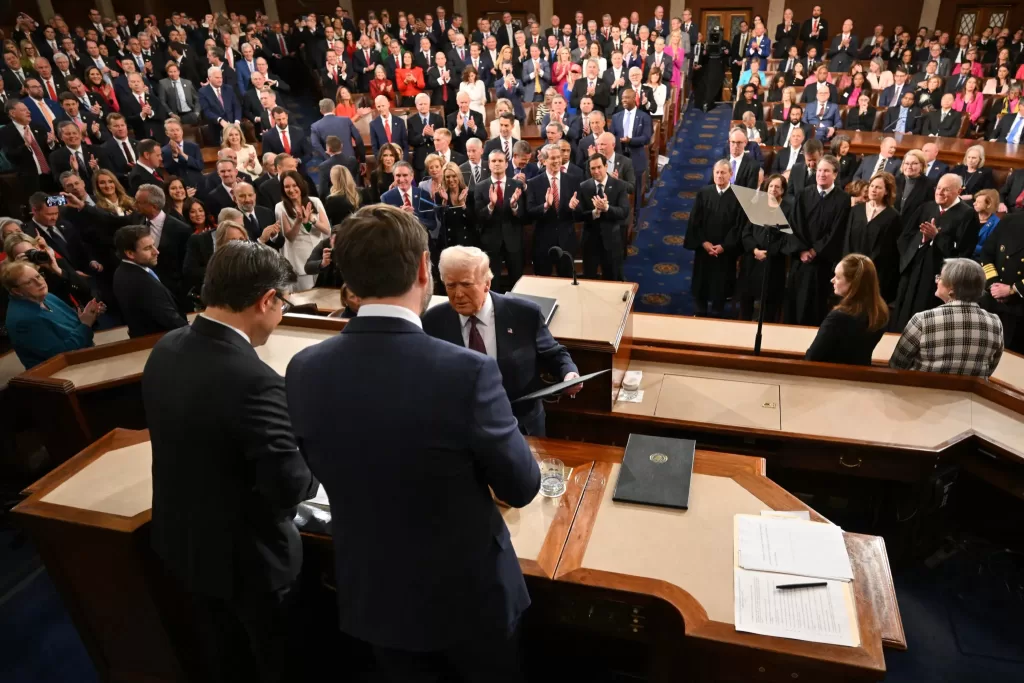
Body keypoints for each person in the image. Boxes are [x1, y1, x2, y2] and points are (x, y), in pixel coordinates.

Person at [286, 205, 540, 681]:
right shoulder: (466, 372)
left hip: (374, 597)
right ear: (425, 268)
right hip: (468, 601)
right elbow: (522, 485)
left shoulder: (304, 368)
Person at [144, 240, 317, 683]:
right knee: (280, 662)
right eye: (282, 305)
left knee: (226, 658)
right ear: (266, 300)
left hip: (184, 546)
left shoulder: (166, 348)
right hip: (250, 561)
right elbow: (289, 487)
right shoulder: (254, 380)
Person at [893, 174, 981, 331]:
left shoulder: (967, 215)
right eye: (938, 188)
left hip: (937, 275)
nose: (940, 192)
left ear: (959, 191)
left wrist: (937, 237)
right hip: (913, 268)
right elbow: (905, 237)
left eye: (946, 189)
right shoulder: (926, 207)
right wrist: (922, 241)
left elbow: (963, 251)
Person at [890, 258, 1003, 376]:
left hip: (922, 392)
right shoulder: (995, 323)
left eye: (940, 277)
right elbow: (990, 368)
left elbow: (896, 366)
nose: (937, 281)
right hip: (970, 394)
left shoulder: (923, 320)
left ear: (952, 289)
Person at [783, 154, 852, 326]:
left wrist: (815, 251)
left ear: (835, 174)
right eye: (819, 170)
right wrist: (802, 250)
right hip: (800, 261)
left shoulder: (843, 199)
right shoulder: (804, 194)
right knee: (794, 305)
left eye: (826, 171)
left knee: (815, 307)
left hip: (822, 264)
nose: (821, 174)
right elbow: (794, 224)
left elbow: (837, 231)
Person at [2, 261, 104, 369]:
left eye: (38, 276)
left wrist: (88, 315)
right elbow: (60, 354)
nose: (39, 282)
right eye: (29, 282)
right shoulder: (24, 319)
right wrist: (85, 325)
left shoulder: (47, 297)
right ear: (16, 291)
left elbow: (74, 327)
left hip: (84, 358)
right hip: (61, 372)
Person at [805, 254, 889, 365]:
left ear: (854, 283)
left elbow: (812, 358)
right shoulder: (880, 313)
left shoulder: (838, 317)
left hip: (831, 377)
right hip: (862, 376)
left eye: (838, 277)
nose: (832, 280)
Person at [684, 159, 744, 317]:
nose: (719, 175)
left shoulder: (739, 196)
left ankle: (718, 312)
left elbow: (739, 226)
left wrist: (724, 246)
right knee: (701, 284)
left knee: (721, 286)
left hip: (725, 252)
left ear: (731, 174)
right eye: (717, 172)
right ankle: (700, 311)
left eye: (723, 172)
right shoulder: (704, 193)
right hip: (705, 250)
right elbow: (695, 221)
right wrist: (704, 242)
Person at [112, 224, 189, 337]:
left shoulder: (125, 270)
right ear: (130, 253)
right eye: (148, 248)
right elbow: (168, 318)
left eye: (153, 245)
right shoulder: (138, 281)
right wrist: (190, 332)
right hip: (160, 341)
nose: (156, 251)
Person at [738, 173, 792, 322]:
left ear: (782, 190)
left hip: (773, 261)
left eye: (777, 187)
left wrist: (769, 252)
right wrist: (755, 250)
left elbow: (787, 238)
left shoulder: (788, 209)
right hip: (753, 259)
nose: (773, 189)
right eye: (771, 186)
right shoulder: (757, 205)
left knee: (770, 301)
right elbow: (746, 232)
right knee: (747, 296)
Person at [844, 173, 902, 302]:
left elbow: (889, 250)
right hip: (852, 268)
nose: (873, 190)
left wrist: (867, 267)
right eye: (872, 186)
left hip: (876, 272)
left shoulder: (893, 217)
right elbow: (847, 239)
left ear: (887, 191)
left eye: (879, 188)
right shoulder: (856, 210)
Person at [528, 143, 581, 278]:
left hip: (566, 240)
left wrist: (573, 207)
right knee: (544, 282)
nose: (557, 161)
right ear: (544, 160)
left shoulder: (573, 180)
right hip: (543, 241)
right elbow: (530, 211)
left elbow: (580, 212)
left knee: (567, 280)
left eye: (559, 157)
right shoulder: (534, 183)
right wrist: (545, 205)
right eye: (553, 158)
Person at [573, 153, 629, 281]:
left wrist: (607, 208)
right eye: (593, 168)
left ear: (606, 166)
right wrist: (594, 212)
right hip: (590, 242)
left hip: (611, 242)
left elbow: (624, 212)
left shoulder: (619, 185)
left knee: (612, 279)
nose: (596, 171)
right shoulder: (584, 187)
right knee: (589, 280)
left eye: (599, 167)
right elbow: (578, 216)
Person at [4, 232, 92, 308]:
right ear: (13, 261)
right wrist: (22, 271)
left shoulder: (55, 263)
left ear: (37, 248)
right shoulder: (13, 279)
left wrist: (57, 270)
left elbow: (86, 288)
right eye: (24, 256)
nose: (30, 257)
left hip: (70, 311)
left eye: (30, 252)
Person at [275, 171, 329, 291]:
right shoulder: (280, 207)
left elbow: (326, 230)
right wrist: (298, 221)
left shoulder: (315, 201)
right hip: (299, 262)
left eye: (294, 185)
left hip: (318, 258)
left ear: (300, 185)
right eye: (287, 187)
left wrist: (312, 219)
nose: (291, 189)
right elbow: (290, 236)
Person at [979, 212, 1024, 350]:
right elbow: (987, 253)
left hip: (1020, 308)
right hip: (993, 300)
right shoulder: (1011, 218)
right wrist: (993, 284)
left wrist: (1012, 289)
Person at [182, 218, 249, 292]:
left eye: (241, 239)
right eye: (233, 240)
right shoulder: (214, 264)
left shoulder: (249, 261)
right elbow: (190, 271)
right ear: (221, 242)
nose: (238, 244)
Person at [973, 189, 1001, 259]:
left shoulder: (996, 224)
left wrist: (970, 246)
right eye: (975, 201)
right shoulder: (969, 216)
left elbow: (990, 249)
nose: (974, 203)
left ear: (988, 204)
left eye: (978, 202)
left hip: (981, 260)